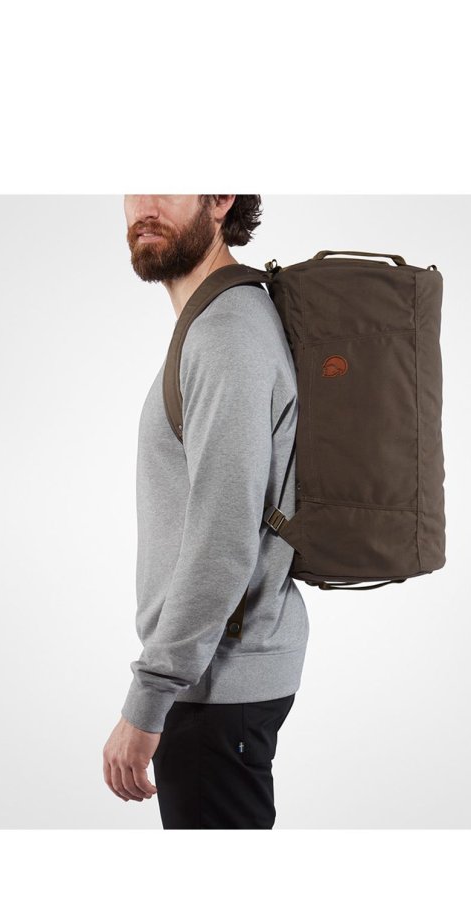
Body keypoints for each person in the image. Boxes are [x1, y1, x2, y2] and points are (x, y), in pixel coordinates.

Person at [102, 194, 309, 829]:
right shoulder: (216, 322)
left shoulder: (226, 333)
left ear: (220, 199)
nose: (144, 204)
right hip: (213, 681)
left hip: (216, 688)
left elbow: (223, 539)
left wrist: (149, 697)